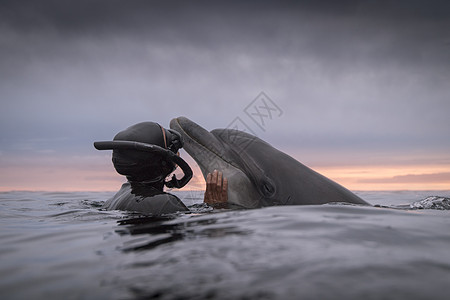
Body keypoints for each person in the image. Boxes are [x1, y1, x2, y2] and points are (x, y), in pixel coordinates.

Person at [94, 121, 228, 215]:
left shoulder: (116, 198)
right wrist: (216, 208)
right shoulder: (164, 203)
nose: (178, 154)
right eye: (173, 149)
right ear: (164, 163)